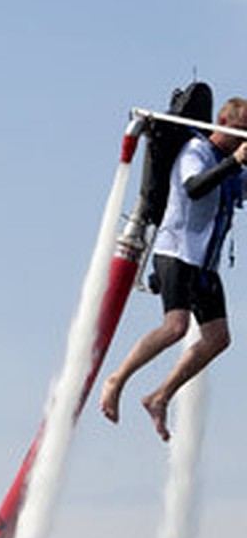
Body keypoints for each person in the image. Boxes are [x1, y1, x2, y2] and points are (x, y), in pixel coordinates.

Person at [101, 97, 247, 441]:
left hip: (204, 264)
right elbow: (194, 188)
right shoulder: (195, 151)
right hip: (176, 252)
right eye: (240, 131)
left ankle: (160, 396)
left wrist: (236, 166)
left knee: (218, 338)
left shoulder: (232, 168)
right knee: (175, 327)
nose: (243, 141)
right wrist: (235, 162)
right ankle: (117, 379)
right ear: (222, 122)